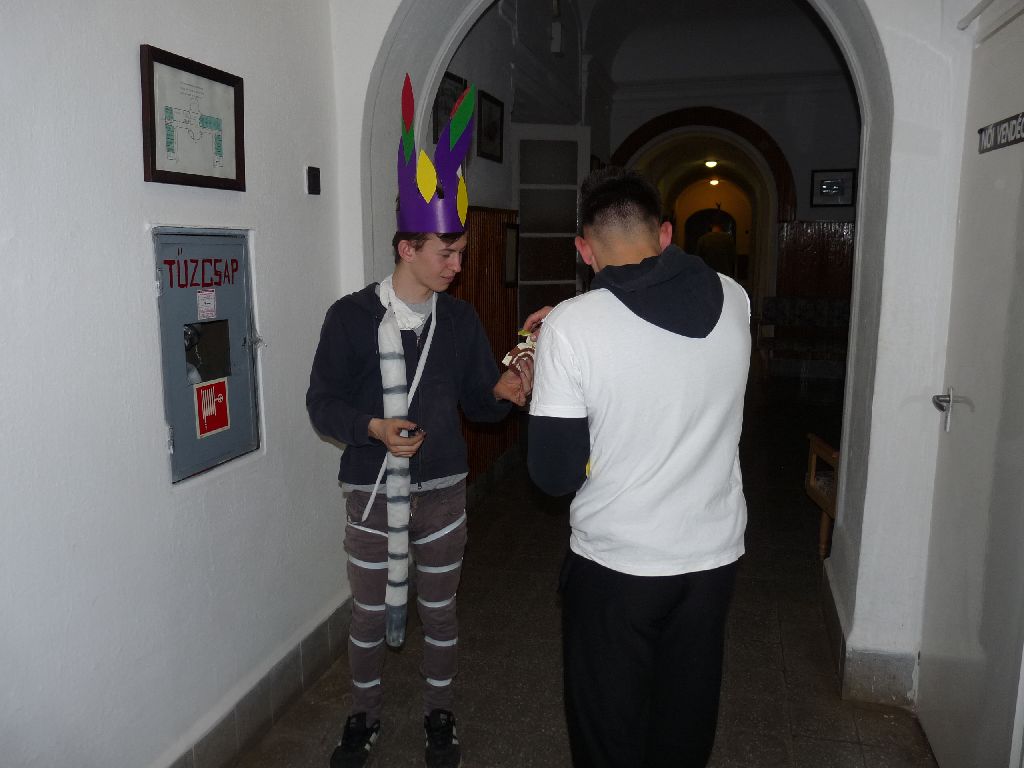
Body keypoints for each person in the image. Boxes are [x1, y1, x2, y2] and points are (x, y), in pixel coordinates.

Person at [306, 74, 532, 768]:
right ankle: (363, 716)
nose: (458, 266)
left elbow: (478, 404)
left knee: (440, 611)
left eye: (460, 252)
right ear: (407, 247)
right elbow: (321, 403)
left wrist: (508, 390)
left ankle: (440, 713)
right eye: (447, 253)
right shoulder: (351, 317)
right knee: (368, 614)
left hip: (441, 490)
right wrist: (374, 429)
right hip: (371, 490)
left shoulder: (458, 321)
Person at [525, 167, 750, 767]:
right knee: (684, 721)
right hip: (711, 558)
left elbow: (554, 474)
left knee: (610, 731)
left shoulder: (572, 325)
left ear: (583, 249)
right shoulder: (736, 298)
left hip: (618, 564)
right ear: (666, 233)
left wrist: (548, 372)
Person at [695, 211, 737, 278]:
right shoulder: (728, 238)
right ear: (722, 225)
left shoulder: (703, 239)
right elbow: (733, 257)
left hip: (709, 273)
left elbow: (698, 258)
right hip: (724, 273)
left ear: (710, 225)